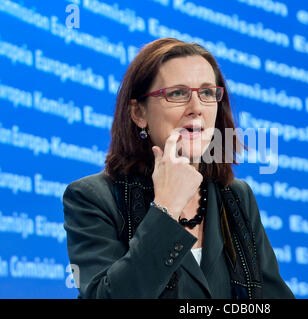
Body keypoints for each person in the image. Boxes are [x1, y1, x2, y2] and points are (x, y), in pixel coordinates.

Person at [63, 38, 294, 299]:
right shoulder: (93, 197)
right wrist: (166, 208)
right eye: (177, 93)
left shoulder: (236, 196)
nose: (196, 108)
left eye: (207, 93)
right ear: (139, 113)